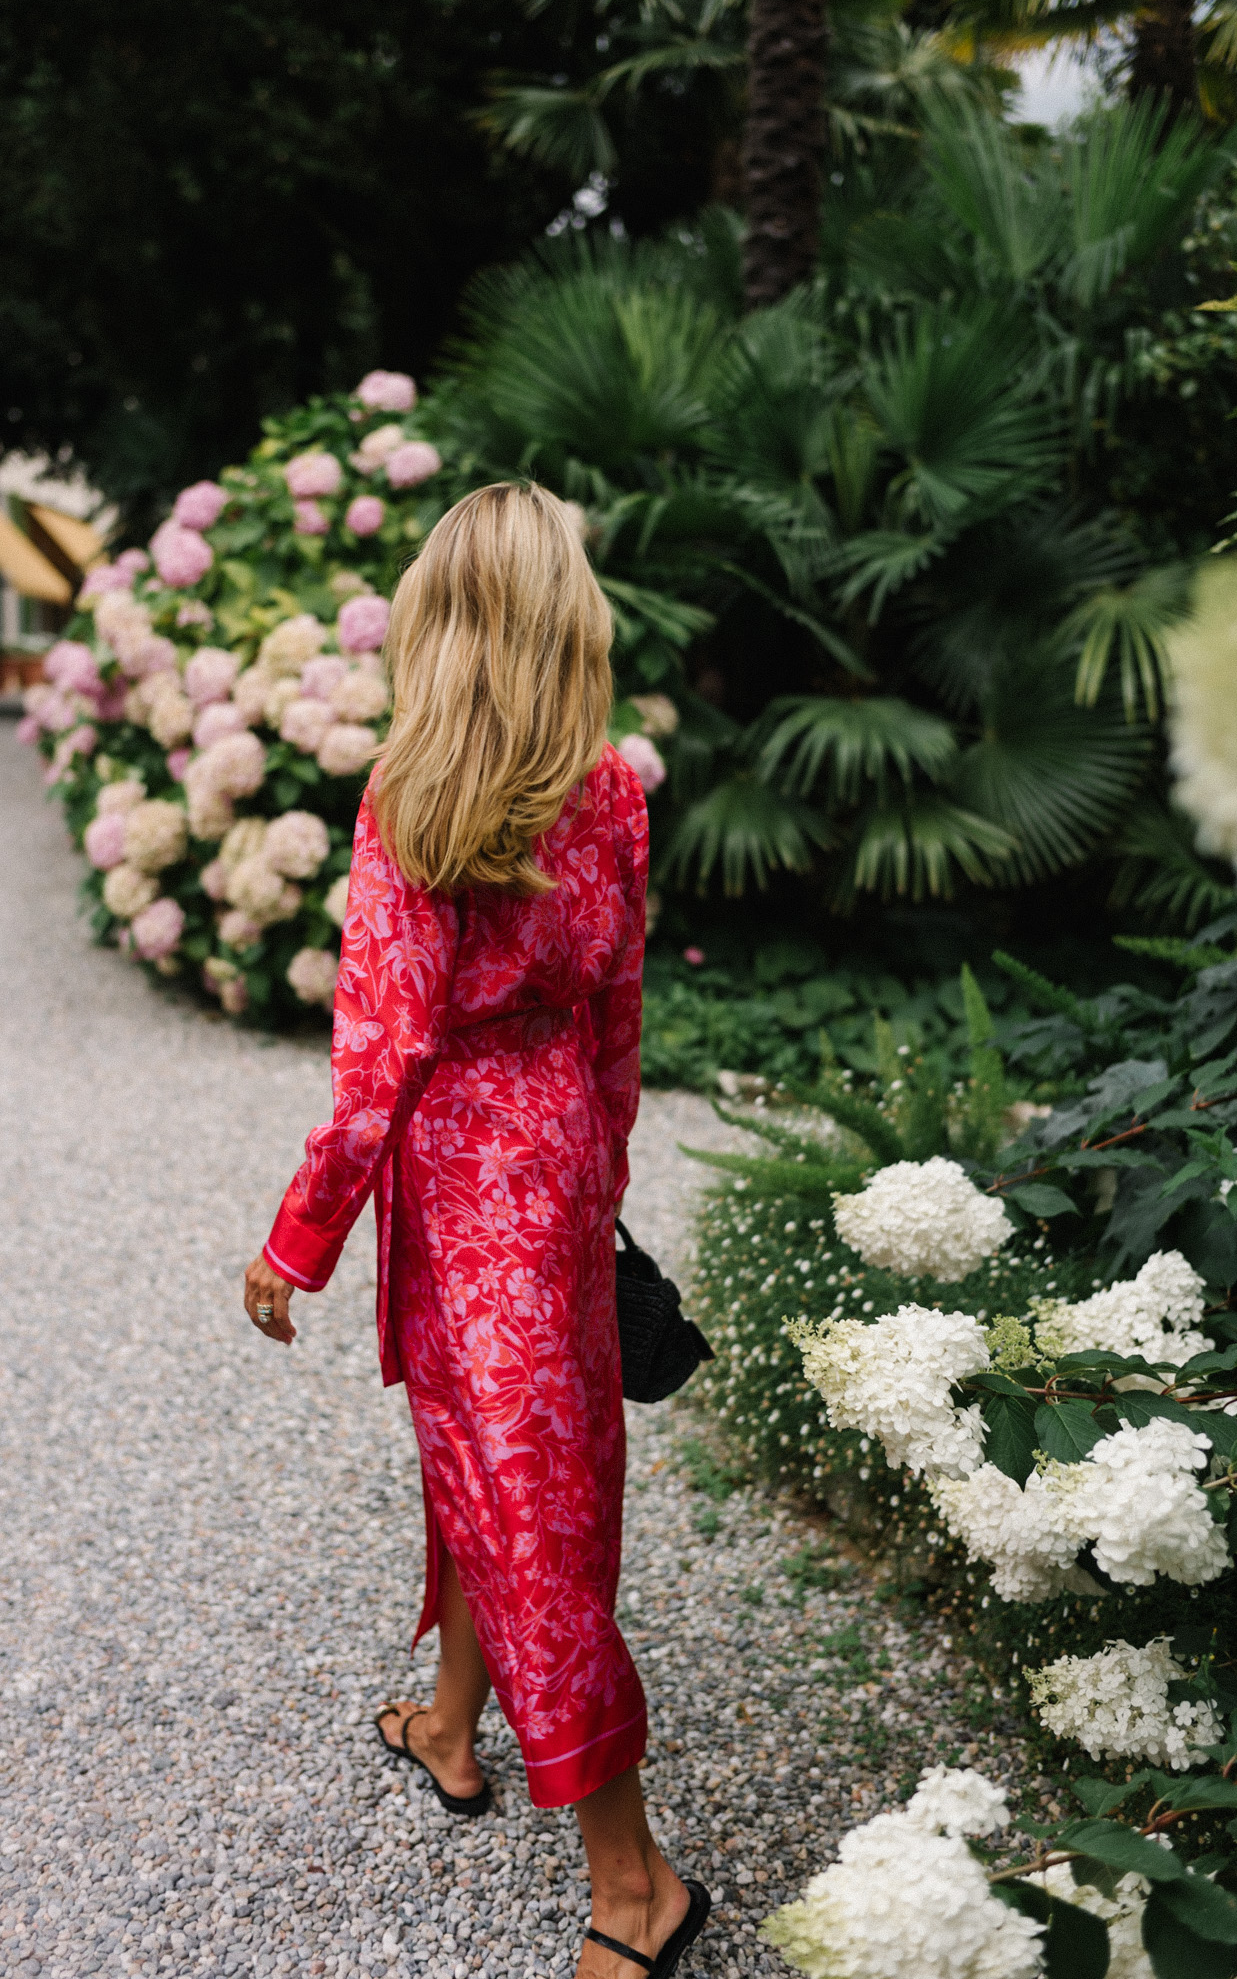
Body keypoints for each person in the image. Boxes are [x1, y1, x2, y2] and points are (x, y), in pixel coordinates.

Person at [243, 483, 709, 1979]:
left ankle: (637, 1887)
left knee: (534, 1522)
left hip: (466, 1184)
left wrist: (296, 1237)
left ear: (445, 625)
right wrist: (600, 1175)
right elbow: (622, 1017)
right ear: (565, 620)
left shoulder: (412, 798)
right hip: (563, 1161)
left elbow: (381, 1064)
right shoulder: (613, 789)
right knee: (503, 1456)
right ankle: (451, 1721)